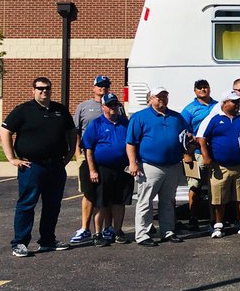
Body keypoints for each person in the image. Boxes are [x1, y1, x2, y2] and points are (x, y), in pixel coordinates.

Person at [1, 77, 76, 256]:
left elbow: (71, 132)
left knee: (53, 205)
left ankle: (48, 241)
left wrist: (69, 154)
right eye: (40, 88)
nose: (44, 91)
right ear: (33, 90)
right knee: (27, 204)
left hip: (56, 166)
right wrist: (12, 158)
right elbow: (5, 131)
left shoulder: (60, 110)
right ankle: (19, 243)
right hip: (31, 166)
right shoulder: (23, 110)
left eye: (47, 88)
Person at [126, 85, 190, 247]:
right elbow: (131, 143)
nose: (162, 99)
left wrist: (190, 142)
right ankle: (142, 234)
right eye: (158, 96)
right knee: (145, 201)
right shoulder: (140, 117)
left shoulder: (176, 117)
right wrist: (133, 163)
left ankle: (168, 231)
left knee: (168, 200)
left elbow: (186, 138)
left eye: (164, 96)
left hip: (173, 165)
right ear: (150, 99)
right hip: (149, 166)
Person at [198, 91, 240, 237]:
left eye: (238, 102)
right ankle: (218, 225)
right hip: (220, 166)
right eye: (233, 102)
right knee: (219, 198)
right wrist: (206, 156)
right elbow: (202, 139)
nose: (237, 105)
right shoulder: (215, 119)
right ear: (224, 103)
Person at [70, 74, 117, 246]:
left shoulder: (114, 105)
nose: (103, 88)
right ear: (94, 88)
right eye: (100, 85)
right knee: (89, 192)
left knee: (108, 193)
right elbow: (76, 131)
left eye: (106, 85)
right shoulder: (84, 107)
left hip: (106, 157)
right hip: (86, 155)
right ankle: (85, 228)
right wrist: (76, 152)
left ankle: (108, 228)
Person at [81, 92, 133, 246]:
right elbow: (88, 149)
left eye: (115, 105)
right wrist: (92, 170)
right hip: (102, 169)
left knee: (120, 201)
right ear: (103, 106)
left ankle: (117, 231)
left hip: (123, 169)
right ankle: (98, 233)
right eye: (110, 105)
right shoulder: (96, 124)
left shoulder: (125, 123)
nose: (113, 108)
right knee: (101, 202)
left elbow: (132, 144)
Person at [180, 79, 216, 232]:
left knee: (214, 187)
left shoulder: (217, 106)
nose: (203, 90)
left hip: (214, 152)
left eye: (205, 87)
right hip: (195, 154)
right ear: (195, 91)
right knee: (195, 186)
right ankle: (193, 218)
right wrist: (186, 154)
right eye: (199, 88)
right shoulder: (189, 109)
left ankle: (214, 219)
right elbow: (182, 132)